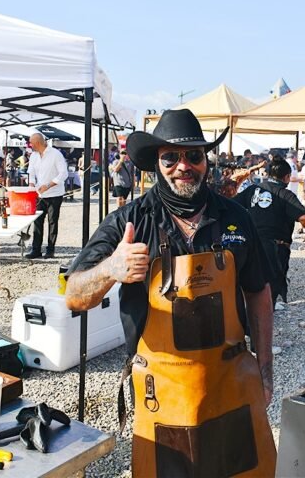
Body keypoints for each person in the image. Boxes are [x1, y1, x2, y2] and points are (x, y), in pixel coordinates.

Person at [64, 109, 276, 476]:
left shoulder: (235, 218)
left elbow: (259, 292)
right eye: (171, 157)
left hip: (229, 381)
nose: (184, 166)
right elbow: (75, 295)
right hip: (162, 389)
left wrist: (265, 367)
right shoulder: (129, 222)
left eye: (194, 155)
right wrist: (111, 269)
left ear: (206, 160)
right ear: (156, 163)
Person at [235, 155, 305, 307]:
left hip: (252, 243)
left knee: (252, 278)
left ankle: (252, 313)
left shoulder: (253, 189)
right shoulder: (285, 195)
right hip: (275, 246)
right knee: (272, 280)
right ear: (286, 177)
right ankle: (264, 315)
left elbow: (233, 206)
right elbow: (304, 218)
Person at [26, 133, 68, 259]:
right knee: (38, 222)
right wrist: (32, 184)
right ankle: (36, 250)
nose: (30, 145)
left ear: (37, 143)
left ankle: (50, 250)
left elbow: (63, 174)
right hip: (39, 194)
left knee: (52, 222)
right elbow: (31, 173)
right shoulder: (33, 156)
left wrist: (48, 185)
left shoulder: (56, 154)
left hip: (55, 194)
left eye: (31, 143)